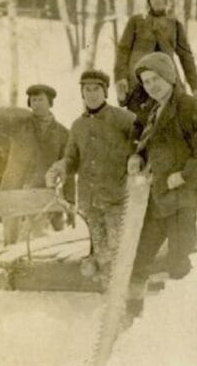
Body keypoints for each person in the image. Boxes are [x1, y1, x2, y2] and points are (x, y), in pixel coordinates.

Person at [125, 52, 197, 319]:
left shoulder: (188, 106)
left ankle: (183, 327)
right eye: (146, 82)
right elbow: (145, 140)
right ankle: (133, 318)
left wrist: (185, 175)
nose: (152, 86)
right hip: (159, 199)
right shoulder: (153, 110)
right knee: (138, 260)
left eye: (156, 79)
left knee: (179, 264)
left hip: (185, 202)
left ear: (170, 77)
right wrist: (138, 155)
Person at [46, 70, 138, 283]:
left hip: (117, 198)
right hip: (90, 201)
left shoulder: (123, 119)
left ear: (105, 92)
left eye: (96, 89)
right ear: (82, 93)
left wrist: (135, 160)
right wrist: (58, 169)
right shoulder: (78, 126)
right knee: (101, 253)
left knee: (119, 251)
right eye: (87, 89)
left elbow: (142, 145)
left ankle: (122, 301)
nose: (92, 94)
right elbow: (71, 160)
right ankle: (107, 296)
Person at [0, 84, 73, 245]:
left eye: (40, 99)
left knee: (36, 241)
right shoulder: (20, 124)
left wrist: (71, 201)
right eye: (33, 100)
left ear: (50, 102)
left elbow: (68, 170)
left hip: (40, 194)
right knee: (11, 241)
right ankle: (11, 269)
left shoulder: (63, 134)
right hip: (12, 190)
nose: (36, 103)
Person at [114, 0, 197, 125]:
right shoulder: (136, 21)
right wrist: (120, 77)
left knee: (173, 122)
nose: (157, 0)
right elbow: (123, 50)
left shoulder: (175, 24)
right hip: (139, 82)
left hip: (167, 81)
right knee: (139, 124)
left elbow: (186, 57)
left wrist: (196, 86)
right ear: (148, 1)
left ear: (167, 0)